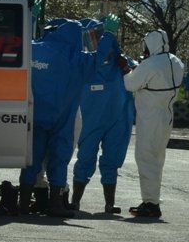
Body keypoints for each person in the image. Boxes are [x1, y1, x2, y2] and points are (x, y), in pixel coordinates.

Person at [16, 18, 95, 216]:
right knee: (59, 161)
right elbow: (98, 61)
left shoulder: (34, 48)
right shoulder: (77, 58)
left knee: (31, 161)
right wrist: (107, 36)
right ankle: (55, 205)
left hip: (35, 116)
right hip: (63, 119)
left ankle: (23, 204)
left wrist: (30, 22)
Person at [70, 15, 131, 214]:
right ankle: (75, 201)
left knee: (111, 161)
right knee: (85, 158)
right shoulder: (84, 66)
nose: (95, 43)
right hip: (90, 122)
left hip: (116, 122)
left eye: (100, 37)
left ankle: (109, 204)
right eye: (93, 38)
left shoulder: (121, 66)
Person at [122, 30, 185, 218]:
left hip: (150, 118)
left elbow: (130, 84)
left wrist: (126, 69)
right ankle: (152, 200)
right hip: (166, 114)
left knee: (146, 159)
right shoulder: (176, 61)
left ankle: (151, 203)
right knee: (157, 159)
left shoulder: (150, 65)